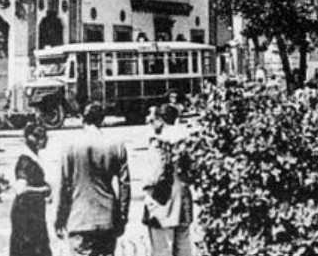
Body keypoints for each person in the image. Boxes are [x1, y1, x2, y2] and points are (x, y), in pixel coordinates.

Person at [55, 103, 131, 256]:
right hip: (107, 219)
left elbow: (63, 185)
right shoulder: (116, 145)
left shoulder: (70, 145)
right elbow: (125, 185)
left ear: (83, 118)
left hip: (79, 218)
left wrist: (59, 218)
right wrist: (122, 215)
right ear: (101, 120)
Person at [144, 105, 193, 256]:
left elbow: (153, 175)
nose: (149, 121)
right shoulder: (187, 140)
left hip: (162, 202)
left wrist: (147, 188)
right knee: (183, 247)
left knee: (162, 249)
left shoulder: (159, 142)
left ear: (160, 120)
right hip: (184, 199)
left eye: (152, 119)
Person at [11, 123, 52, 256]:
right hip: (26, 213)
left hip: (32, 211)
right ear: (30, 138)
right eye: (40, 136)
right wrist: (43, 189)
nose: (44, 140)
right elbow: (20, 189)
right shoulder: (26, 160)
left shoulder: (32, 157)